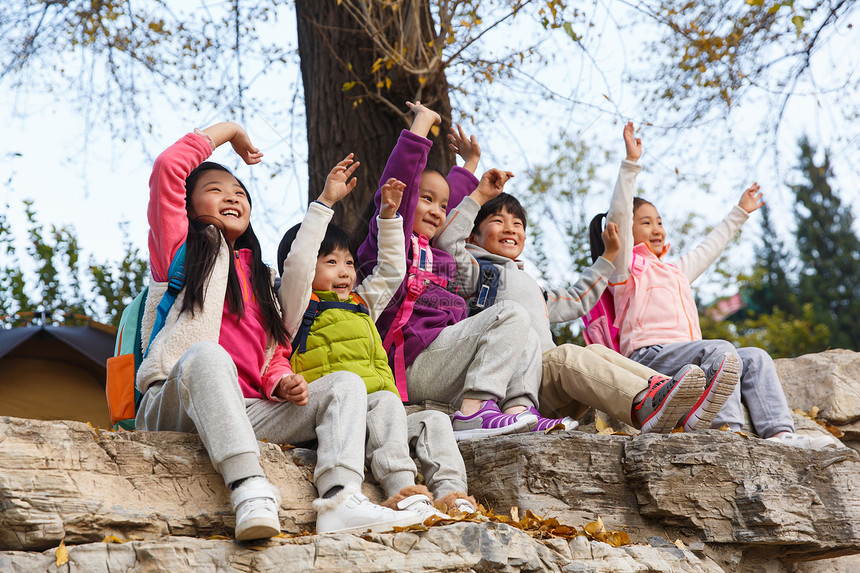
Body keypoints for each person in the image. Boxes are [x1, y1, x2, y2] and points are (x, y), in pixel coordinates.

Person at [135, 122, 421, 540]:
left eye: (239, 192)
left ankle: (340, 500)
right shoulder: (181, 251)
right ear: (187, 206)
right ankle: (249, 487)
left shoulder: (260, 282)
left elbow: (272, 353)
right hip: (177, 400)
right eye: (215, 189)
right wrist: (230, 131)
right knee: (208, 355)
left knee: (345, 385)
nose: (231, 195)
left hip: (245, 409)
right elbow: (167, 167)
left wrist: (280, 380)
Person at [589, 121, 839, 449]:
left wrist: (740, 213)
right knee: (721, 349)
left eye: (660, 221)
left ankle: (780, 434)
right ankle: (725, 432)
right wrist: (631, 164)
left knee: (755, 357)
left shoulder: (676, 271)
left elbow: (709, 248)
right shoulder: (624, 269)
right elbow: (619, 214)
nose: (657, 228)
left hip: (690, 357)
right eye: (646, 222)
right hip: (649, 357)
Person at [434, 175, 737, 433]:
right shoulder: (475, 272)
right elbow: (446, 243)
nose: (511, 228)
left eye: (518, 223)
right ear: (474, 234)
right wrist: (479, 195)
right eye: (498, 221)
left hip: (546, 385)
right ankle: (646, 403)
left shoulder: (535, 289)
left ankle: (672, 398)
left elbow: (578, 299)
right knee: (567, 355)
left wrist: (606, 257)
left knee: (595, 352)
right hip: (506, 387)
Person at [356, 101, 574, 440]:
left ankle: (518, 410)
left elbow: (451, 203)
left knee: (527, 331)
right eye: (426, 200)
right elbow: (403, 182)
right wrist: (422, 127)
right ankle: (474, 413)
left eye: (442, 206)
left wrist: (471, 166)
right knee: (510, 315)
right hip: (410, 364)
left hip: (445, 361)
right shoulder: (392, 243)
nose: (437, 210)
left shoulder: (439, 256)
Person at [277, 155, 477, 521]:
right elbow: (299, 265)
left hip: (383, 413)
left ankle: (453, 496)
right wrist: (325, 204)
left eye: (349, 263)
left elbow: (390, 270)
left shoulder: (361, 305)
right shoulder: (296, 308)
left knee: (432, 421)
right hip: (339, 414)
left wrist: (388, 217)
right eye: (331, 262)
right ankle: (403, 490)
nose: (345, 271)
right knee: (386, 403)